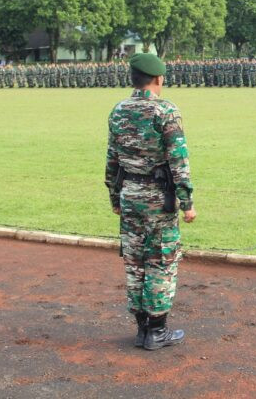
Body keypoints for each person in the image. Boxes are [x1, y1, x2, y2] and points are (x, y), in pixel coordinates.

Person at [105, 53, 197, 351]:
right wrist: (187, 202)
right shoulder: (165, 110)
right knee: (160, 260)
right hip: (158, 198)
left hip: (129, 193)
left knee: (135, 262)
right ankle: (157, 332)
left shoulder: (119, 110)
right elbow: (178, 159)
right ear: (159, 79)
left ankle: (142, 329)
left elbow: (112, 160)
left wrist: (114, 196)